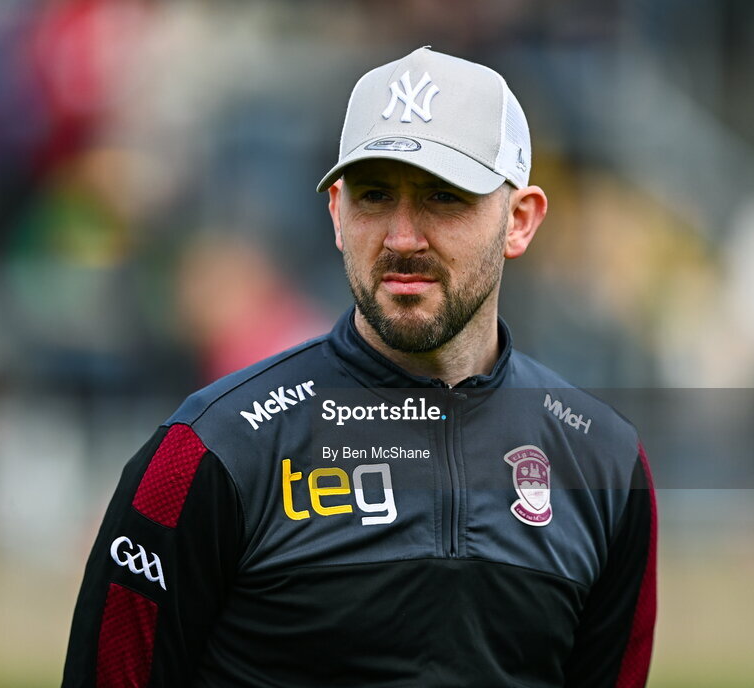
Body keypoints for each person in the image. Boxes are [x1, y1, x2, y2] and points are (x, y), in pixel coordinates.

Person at [63, 47, 657, 687]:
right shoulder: (208, 453)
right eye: (375, 196)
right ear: (338, 216)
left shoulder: (606, 467)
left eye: (443, 197)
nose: (402, 237)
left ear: (519, 221)